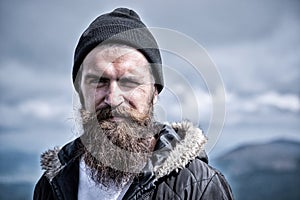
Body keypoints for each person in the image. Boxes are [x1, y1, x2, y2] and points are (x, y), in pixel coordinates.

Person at [33, 7, 234, 200]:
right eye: (98, 81)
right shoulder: (52, 185)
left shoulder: (199, 187)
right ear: (80, 91)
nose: (113, 98)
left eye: (129, 82)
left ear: (154, 92)